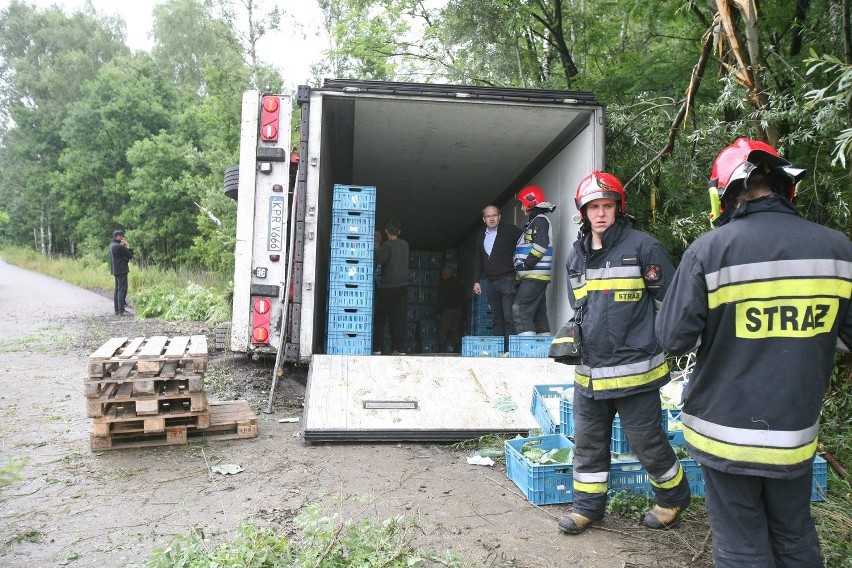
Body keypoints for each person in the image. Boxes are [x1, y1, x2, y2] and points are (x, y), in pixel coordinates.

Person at [656, 138, 851, 567]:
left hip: (725, 433)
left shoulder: (709, 250)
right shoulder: (839, 250)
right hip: (795, 433)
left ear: (724, 195)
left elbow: (673, 339)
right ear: (785, 186)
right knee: (795, 537)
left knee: (742, 545)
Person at [558, 171, 691, 535]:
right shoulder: (577, 254)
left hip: (636, 373)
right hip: (589, 374)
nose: (600, 213)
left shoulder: (645, 247)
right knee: (587, 445)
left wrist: (665, 346)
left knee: (647, 444)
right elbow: (579, 306)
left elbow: (672, 306)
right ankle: (587, 508)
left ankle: (673, 498)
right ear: (583, 213)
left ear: (619, 208)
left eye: (607, 206)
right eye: (593, 207)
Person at [472, 205, 523, 351]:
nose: (492, 218)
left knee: (508, 316)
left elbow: (527, 238)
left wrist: (518, 256)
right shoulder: (481, 235)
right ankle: (499, 350)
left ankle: (511, 350)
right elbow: (478, 259)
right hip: (491, 282)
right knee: (496, 318)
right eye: (488, 216)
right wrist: (476, 280)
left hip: (507, 279)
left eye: (494, 215)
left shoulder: (510, 230)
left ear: (500, 216)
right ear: (484, 219)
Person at [513, 186, 555, 336]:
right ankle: (543, 350)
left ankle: (527, 351)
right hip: (535, 277)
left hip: (533, 275)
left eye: (523, 204)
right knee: (538, 313)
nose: (522, 208)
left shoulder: (540, 221)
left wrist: (526, 264)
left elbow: (540, 245)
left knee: (520, 309)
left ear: (531, 202)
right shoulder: (536, 221)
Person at [372, 218, 410, 355]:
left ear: (386, 231)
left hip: (388, 287)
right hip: (403, 287)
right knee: (399, 319)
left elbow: (382, 259)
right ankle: (400, 349)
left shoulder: (387, 245)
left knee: (380, 318)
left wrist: (377, 247)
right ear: (399, 231)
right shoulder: (405, 245)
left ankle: (377, 348)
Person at [437, 266, 465, 353]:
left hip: (448, 310)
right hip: (458, 310)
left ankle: (441, 348)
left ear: (448, 273)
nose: (442, 276)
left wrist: (438, 312)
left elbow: (441, 299)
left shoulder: (445, 284)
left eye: (444, 274)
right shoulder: (459, 283)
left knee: (443, 329)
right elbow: (463, 299)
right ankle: (456, 348)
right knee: (455, 330)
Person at [108, 229, 133, 316]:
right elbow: (130, 255)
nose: (122, 238)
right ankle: (121, 310)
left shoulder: (111, 245)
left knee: (117, 290)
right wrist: (127, 247)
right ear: (118, 237)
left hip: (115, 270)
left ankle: (117, 310)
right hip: (122, 269)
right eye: (122, 236)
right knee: (122, 289)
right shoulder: (118, 246)